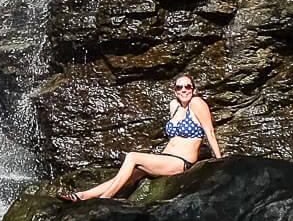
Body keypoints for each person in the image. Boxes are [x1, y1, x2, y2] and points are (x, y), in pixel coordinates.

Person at [59, 74, 224, 201]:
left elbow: (209, 132)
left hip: (180, 162)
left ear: (193, 89)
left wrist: (220, 161)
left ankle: (104, 199)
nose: (183, 90)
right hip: (165, 158)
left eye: (187, 86)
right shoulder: (174, 106)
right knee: (128, 174)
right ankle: (83, 195)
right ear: (174, 91)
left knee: (132, 157)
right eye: (179, 87)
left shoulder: (197, 103)